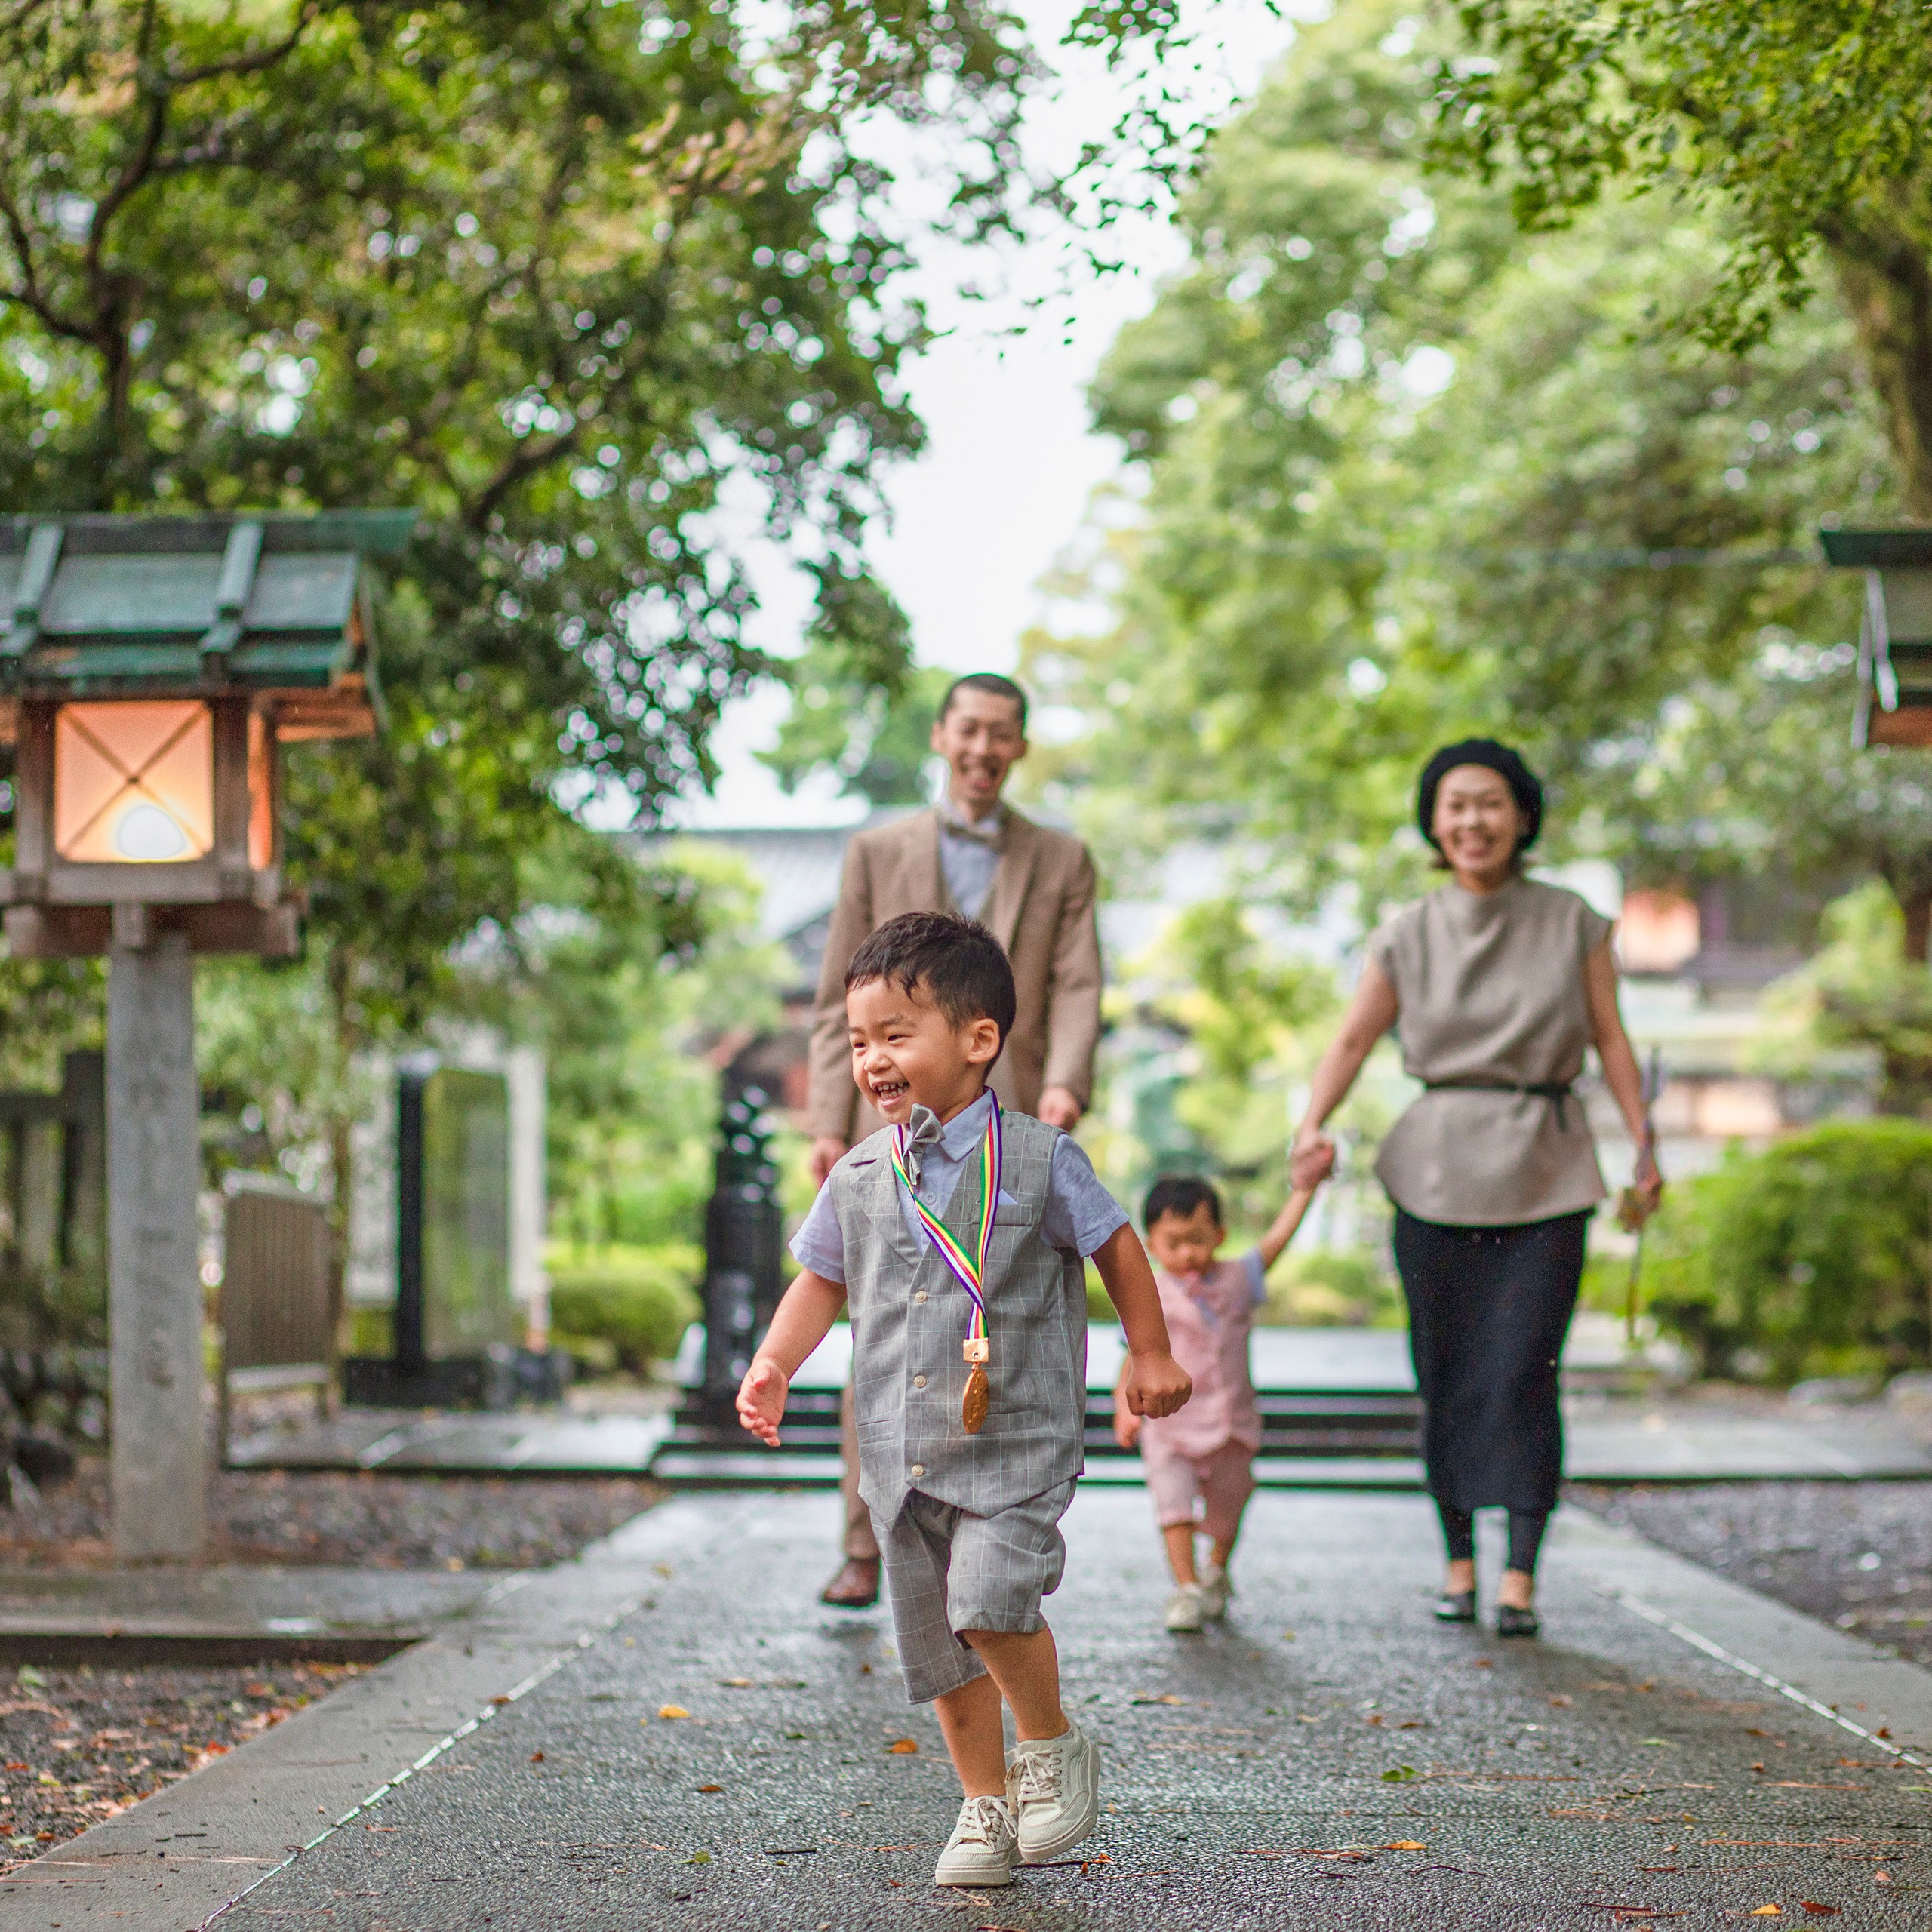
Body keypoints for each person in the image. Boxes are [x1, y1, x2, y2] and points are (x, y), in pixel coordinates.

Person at [740, 912, 1190, 1887]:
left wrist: (1146, 1350)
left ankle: (1051, 1747)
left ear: (978, 1039)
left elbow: (1117, 1242)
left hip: (1014, 1440)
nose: (873, 1060)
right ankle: (982, 1804)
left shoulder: (1038, 1156)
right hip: (902, 1456)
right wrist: (775, 1362)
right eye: (860, 1042)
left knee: (989, 1602)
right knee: (940, 1647)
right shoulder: (863, 1171)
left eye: (896, 1034)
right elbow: (821, 1278)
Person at [1289, 739, 1662, 1638]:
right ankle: (1458, 1564)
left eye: (1489, 802)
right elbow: (1351, 1039)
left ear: (1522, 815)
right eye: (1453, 804)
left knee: (1525, 1369)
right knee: (1447, 1372)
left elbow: (1612, 1040)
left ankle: (1520, 1574)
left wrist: (1642, 1148)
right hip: (1434, 1168)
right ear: (1433, 821)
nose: (1471, 820)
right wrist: (1311, 1123)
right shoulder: (1406, 930)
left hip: (1546, 1162)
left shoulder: (1575, 921)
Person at [807, 672, 1104, 1608]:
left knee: (1004, 1319)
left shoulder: (1062, 856)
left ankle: (1001, 1521)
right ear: (941, 736)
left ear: (1019, 748)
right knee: (884, 1332)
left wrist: (1065, 1082)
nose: (983, 748)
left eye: (1002, 735)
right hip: (888, 1118)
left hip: (1013, 1116)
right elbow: (833, 999)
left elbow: (1079, 983)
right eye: (968, 730)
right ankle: (871, 1536)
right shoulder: (875, 847)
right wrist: (827, 1122)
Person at [1113, 1174, 1315, 1634]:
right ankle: (1186, 1588)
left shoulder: (1239, 1280)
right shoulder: (1150, 1292)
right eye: (1175, 1243)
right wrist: (1125, 1408)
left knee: (1227, 1512)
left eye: (1199, 1241)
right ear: (1152, 1245)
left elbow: (1277, 1240)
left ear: (1220, 1237)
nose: (1188, 1254)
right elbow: (1132, 1356)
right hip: (1169, 1426)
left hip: (1230, 1424)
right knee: (1173, 1507)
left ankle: (1217, 1569)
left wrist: (1303, 1188)